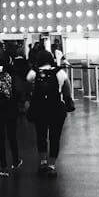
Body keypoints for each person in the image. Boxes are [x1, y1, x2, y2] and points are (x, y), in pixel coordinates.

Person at [26, 50, 75, 178]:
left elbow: (27, 87)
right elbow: (67, 89)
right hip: (56, 108)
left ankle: (43, 162)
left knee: (41, 136)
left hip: (39, 108)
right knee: (55, 137)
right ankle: (52, 166)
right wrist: (68, 102)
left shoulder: (33, 72)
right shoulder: (60, 72)